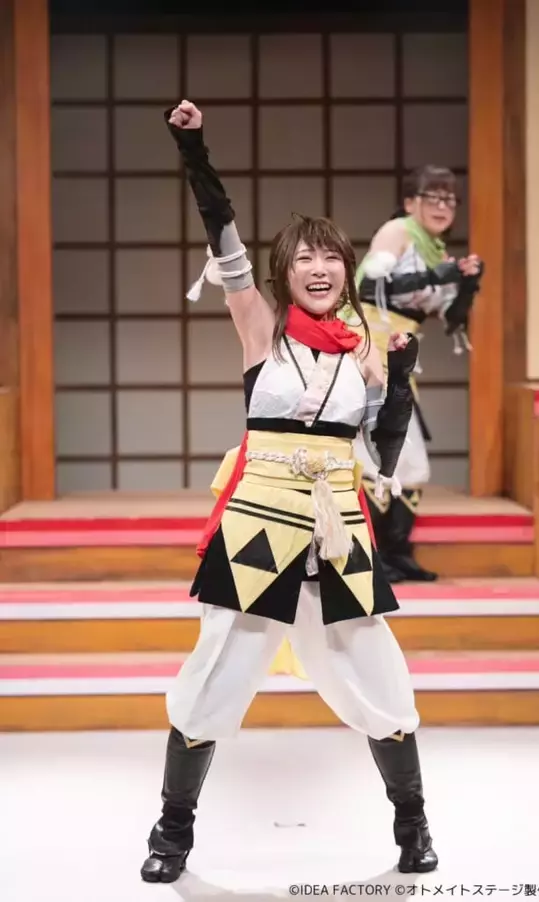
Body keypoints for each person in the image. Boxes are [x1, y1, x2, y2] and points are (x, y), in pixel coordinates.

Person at [140, 100, 438, 884]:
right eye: (305, 256)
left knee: (379, 679)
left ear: (346, 268)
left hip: (339, 536)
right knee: (212, 679)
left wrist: (399, 377)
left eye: (331, 255)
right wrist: (193, 147)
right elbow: (221, 231)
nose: (319, 266)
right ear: (284, 272)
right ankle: (172, 832)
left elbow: (385, 446)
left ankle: (413, 824)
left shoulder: (364, 350)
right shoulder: (260, 329)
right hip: (258, 528)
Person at [353, 167, 484, 583]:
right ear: (410, 202)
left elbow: (452, 318)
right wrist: (437, 275)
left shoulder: (437, 253)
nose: (443, 206)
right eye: (433, 197)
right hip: (366, 349)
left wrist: (468, 284)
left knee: (409, 464)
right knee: (375, 456)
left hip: (400, 356)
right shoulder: (397, 232)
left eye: (450, 199)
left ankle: (397, 552)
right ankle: (370, 555)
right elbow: (370, 285)